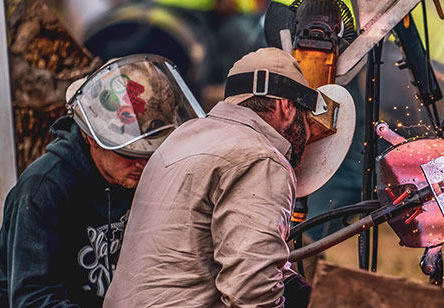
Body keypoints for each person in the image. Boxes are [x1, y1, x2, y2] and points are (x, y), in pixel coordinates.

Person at [104, 47, 354, 307]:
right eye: (305, 117)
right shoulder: (260, 157)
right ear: (286, 106)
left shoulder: (182, 137)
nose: (305, 133)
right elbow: (252, 292)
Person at [0, 54, 204, 307]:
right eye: (128, 154)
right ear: (92, 138)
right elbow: (34, 298)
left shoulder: (142, 175)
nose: (142, 165)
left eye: (149, 153)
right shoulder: (42, 190)